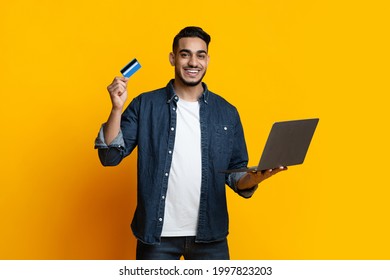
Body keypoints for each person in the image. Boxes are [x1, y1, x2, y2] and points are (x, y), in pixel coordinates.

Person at [95, 26, 286, 260]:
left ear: (207, 60)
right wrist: (116, 108)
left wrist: (255, 178)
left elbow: (236, 176)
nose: (193, 62)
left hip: (210, 238)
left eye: (200, 55)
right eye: (185, 54)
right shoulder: (145, 105)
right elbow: (110, 157)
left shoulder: (227, 112)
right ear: (173, 58)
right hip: (157, 238)